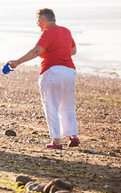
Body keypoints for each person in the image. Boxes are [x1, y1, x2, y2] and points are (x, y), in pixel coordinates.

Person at [8, 8, 79, 149]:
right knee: (68, 106)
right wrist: (57, 52)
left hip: (52, 72)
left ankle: (56, 142)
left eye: (38, 20)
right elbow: (73, 51)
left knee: (51, 106)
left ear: (45, 19)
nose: (37, 24)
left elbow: (36, 51)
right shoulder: (66, 31)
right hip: (70, 72)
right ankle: (73, 136)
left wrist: (17, 62)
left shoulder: (48, 33)